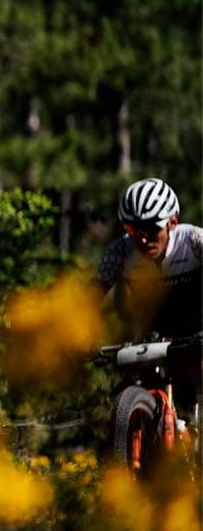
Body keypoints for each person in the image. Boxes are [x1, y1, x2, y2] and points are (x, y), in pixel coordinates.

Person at [96, 177, 202, 420]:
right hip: (152, 333)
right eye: (134, 230)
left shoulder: (194, 241)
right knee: (129, 383)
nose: (143, 239)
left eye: (152, 228)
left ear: (172, 222)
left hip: (197, 329)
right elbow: (93, 294)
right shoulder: (121, 252)